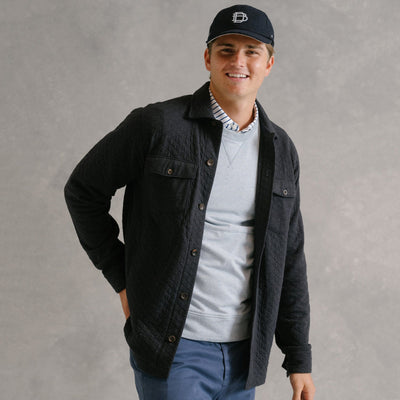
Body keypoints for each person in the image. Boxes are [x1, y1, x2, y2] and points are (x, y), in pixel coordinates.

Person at [64, 4, 315, 400]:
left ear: (268, 64)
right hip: (174, 347)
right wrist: (122, 279)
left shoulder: (281, 149)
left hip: (245, 355)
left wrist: (298, 358)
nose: (238, 61)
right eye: (226, 50)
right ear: (207, 59)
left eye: (251, 51)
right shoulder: (157, 125)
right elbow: (83, 190)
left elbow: (290, 255)